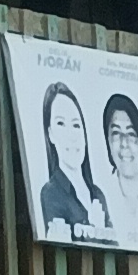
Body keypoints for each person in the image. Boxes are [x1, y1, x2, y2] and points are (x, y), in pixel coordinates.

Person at [35, 83, 105, 241]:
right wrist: (95, 229)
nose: (72, 136)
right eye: (61, 124)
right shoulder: (51, 194)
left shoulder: (98, 195)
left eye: (76, 125)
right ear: (50, 134)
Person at [99, 94, 138, 242]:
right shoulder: (99, 197)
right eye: (116, 133)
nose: (124, 144)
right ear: (107, 140)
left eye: (131, 134)